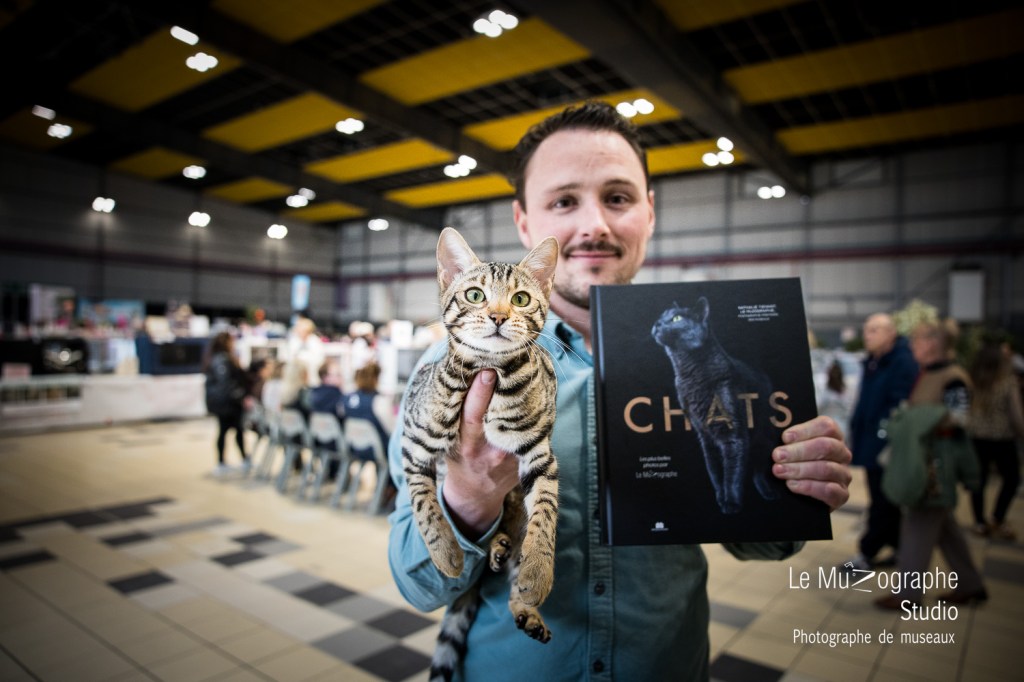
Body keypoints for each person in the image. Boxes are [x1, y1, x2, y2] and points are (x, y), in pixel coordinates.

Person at [386, 101, 852, 680]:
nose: (595, 226)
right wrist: (468, 498)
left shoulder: (718, 361)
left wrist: (792, 486)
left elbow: (762, 545)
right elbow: (418, 583)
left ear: (649, 213)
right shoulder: (447, 372)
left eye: (618, 197)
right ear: (524, 223)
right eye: (563, 201)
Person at [875, 318, 987, 610]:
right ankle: (971, 585)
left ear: (934, 343)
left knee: (918, 525)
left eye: (918, 340)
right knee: (945, 528)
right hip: (924, 458)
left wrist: (916, 420)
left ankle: (907, 596)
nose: (912, 346)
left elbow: (961, 419)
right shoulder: (927, 373)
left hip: (935, 465)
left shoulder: (954, 377)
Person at [843, 313, 919, 570]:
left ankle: (867, 552)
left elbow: (900, 407)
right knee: (885, 501)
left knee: (883, 501)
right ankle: (900, 550)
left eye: (874, 330)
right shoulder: (873, 362)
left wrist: (883, 438)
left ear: (890, 333)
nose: (868, 335)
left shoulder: (902, 362)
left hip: (887, 444)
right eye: (866, 330)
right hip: (868, 440)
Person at [967, 335, 1024, 540]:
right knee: (1011, 479)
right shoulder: (1007, 382)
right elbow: (1016, 414)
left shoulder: (971, 380)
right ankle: (998, 518)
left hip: (976, 437)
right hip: (1003, 438)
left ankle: (979, 522)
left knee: (978, 481)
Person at [203, 331, 250, 475]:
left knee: (227, 431)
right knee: (232, 431)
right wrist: (241, 397)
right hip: (227, 404)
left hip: (223, 402)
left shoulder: (216, 358)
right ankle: (233, 461)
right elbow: (227, 383)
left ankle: (229, 461)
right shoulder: (222, 360)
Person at [287, 316, 325, 387]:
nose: (301, 333)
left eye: (304, 331)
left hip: (312, 374)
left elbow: (319, 359)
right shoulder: (293, 341)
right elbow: (290, 357)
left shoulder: (315, 341)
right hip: (296, 375)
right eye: (299, 330)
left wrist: (302, 358)